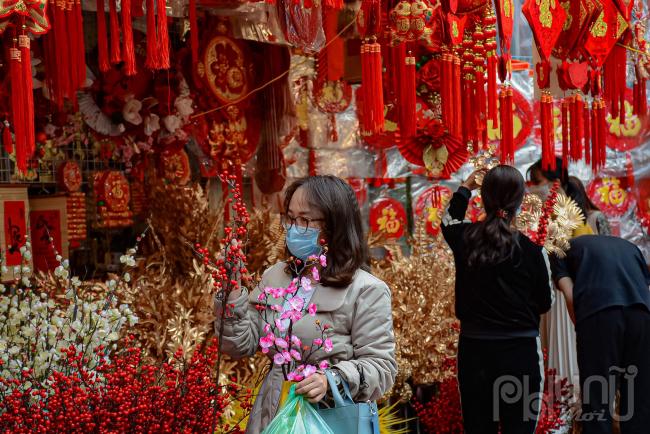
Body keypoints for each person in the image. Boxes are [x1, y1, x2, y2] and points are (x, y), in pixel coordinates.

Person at [214, 175, 397, 433]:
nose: (294, 228)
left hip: (330, 417)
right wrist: (232, 294)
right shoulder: (275, 276)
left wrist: (331, 380)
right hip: (274, 412)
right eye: (290, 218)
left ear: (335, 225)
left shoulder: (366, 289)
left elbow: (381, 367)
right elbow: (239, 345)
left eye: (306, 220)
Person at [442, 165, 554, 434]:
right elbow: (545, 302)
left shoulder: (464, 237)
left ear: (485, 197)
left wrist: (465, 188)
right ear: (519, 201)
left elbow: (448, 220)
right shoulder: (534, 252)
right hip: (521, 353)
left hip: (475, 352)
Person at [552, 235, 650, 433]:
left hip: (600, 312)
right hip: (642, 315)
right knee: (638, 396)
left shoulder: (559, 250)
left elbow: (570, 295)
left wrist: (583, 328)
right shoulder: (628, 246)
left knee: (597, 398)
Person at [527, 157, 580, 388]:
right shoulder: (541, 211)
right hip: (545, 289)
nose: (534, 188)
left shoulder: (566, 210)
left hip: (562, 289)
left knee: (563, 346)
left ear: (555, 182)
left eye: (538, 182)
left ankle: (566, 407)